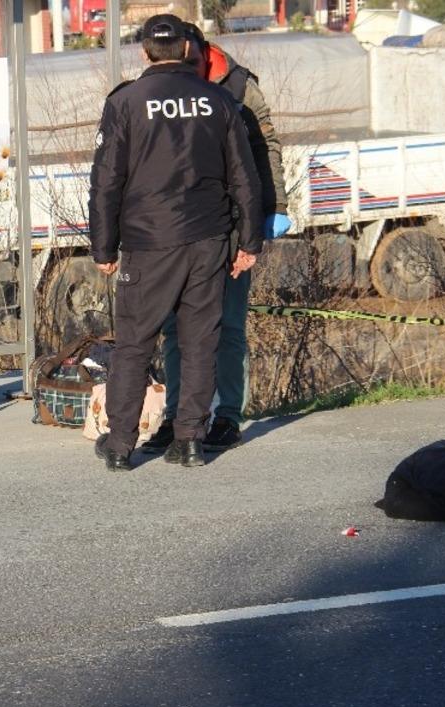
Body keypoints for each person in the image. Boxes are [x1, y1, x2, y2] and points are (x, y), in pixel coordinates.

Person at [89, 13, 262, 472]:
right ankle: (189, 441)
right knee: (200, 340)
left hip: (148, 243)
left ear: (144, 52)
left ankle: (121, 443)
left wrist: (103, 246)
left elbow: (106, 181)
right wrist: (250, 240)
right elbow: (244, 177)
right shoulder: (219, 100)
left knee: (133, 343)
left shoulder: (126, 102)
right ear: (189, 50)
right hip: (209, 240)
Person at [146, 23, 291, 454]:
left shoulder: (241, 88)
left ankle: (228, 415)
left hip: (230, 222)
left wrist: (275, 208)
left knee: (228, 325)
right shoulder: (166, 85)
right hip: (178, 225)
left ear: (201, 52)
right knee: (174, 328)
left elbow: (267, 148)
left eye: (188, 60)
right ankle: (177, 417)